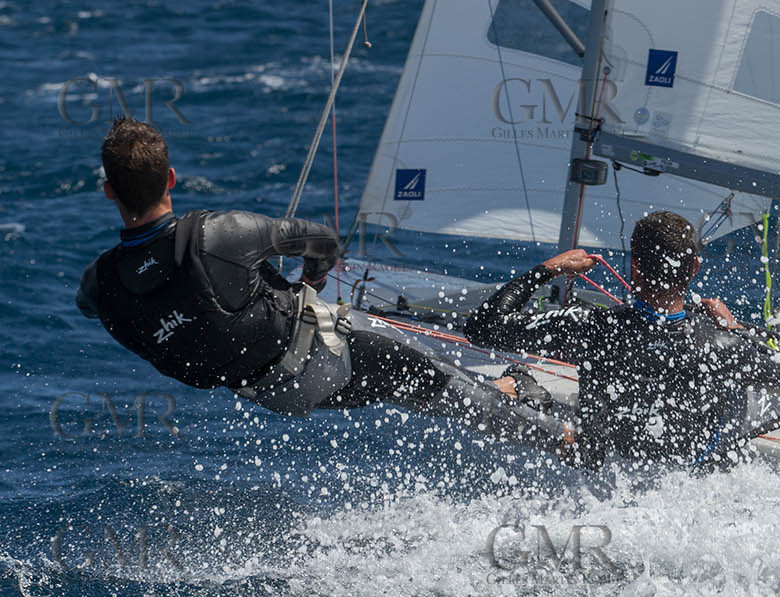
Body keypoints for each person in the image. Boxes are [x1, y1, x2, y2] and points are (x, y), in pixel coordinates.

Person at [77, 118, 551, 442]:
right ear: (171, 178)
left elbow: (91, 304)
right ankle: (561, 437)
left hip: (276, 395)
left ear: (109, 192)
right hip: (326, 356)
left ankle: (506, 395)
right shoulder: (218, 234)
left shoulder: (100, 285)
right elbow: (323, 241)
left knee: (408, 386)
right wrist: (312, 279)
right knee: (436, 379)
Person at [465, 211, 780, 470]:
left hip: (602, 465)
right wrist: (732, 329)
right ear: (694, 269)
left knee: (519, 376)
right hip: (689, 472)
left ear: (635, 267)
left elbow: (482, 327)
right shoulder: (722, 345)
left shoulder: (591, 326)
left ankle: (524, 388)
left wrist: (550, 268)